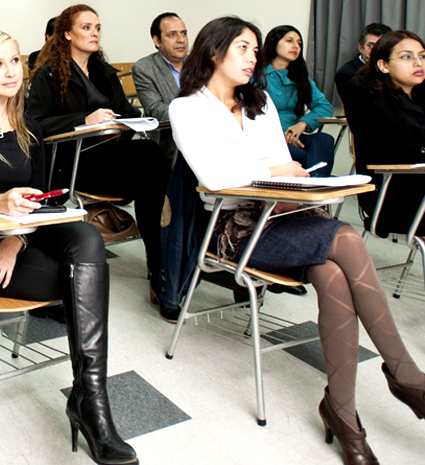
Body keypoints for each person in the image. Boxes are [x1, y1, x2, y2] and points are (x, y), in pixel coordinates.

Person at [169, 16, 425, 465]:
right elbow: (215, 177)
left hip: (290, 212)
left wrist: (285, 177)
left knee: (334, 276)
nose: (253, 58)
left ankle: (342, 413)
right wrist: (273, 172)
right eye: (243, 48)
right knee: (346, 241)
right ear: (214, 52)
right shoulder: (187, 107)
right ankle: (405, 377)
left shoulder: (261, 102)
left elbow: (284, 165)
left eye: (254, 50)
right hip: (238, 229)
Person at [0, 29, 138, 465]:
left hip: (18, 235)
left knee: (87, 237)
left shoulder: (29, 124)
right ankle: (90, 405)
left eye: (14, 62)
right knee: (77, 277)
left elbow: (41, 193)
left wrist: (15, 238)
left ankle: (91, 399)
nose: (11, 72)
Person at [26, 4, 170, 313]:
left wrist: (125, 123)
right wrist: (85, 120)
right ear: (67, 33)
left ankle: (161, 264)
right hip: (74, 163)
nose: (95, 33)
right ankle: (161, 266)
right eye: (86, 27)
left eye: (98, 28)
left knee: (153, 159)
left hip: (110, 155)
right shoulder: (48, 73)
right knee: (152, 163)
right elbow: (34, 123)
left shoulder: (104, 72)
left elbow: (128, 113)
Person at [341, 30, 425, 237]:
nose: (418, 63)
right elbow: (379, 150)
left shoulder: (420, 94)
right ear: (383, 65)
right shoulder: (365, 97)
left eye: (422, 56)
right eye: (407, 57)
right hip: (393, 194)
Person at [261, 25, 335, 177]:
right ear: (274, 43)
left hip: (295, 136)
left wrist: (303, 124)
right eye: (289, 41)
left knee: (324, 140)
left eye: (299, 43)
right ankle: (316, 190)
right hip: (267, 139)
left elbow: (324, 107)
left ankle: (314, 189)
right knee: (310, 158)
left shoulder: (300, 78)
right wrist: (280, 135)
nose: (295, 46)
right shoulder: (256, 76)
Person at [132, 12, 189, 163]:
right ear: (157, 40)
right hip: (171, 145)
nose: (181, 40)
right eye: (172, 34)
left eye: (184, 33)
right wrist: (197, 112)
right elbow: (156, 110)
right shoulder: (144, 68)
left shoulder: (200, 64)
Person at [335, 23, 391, 95]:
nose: (375, 51)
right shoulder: (347, 73)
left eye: (381, 46)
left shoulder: (394, 67)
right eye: (370, 46)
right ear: (361, 47)